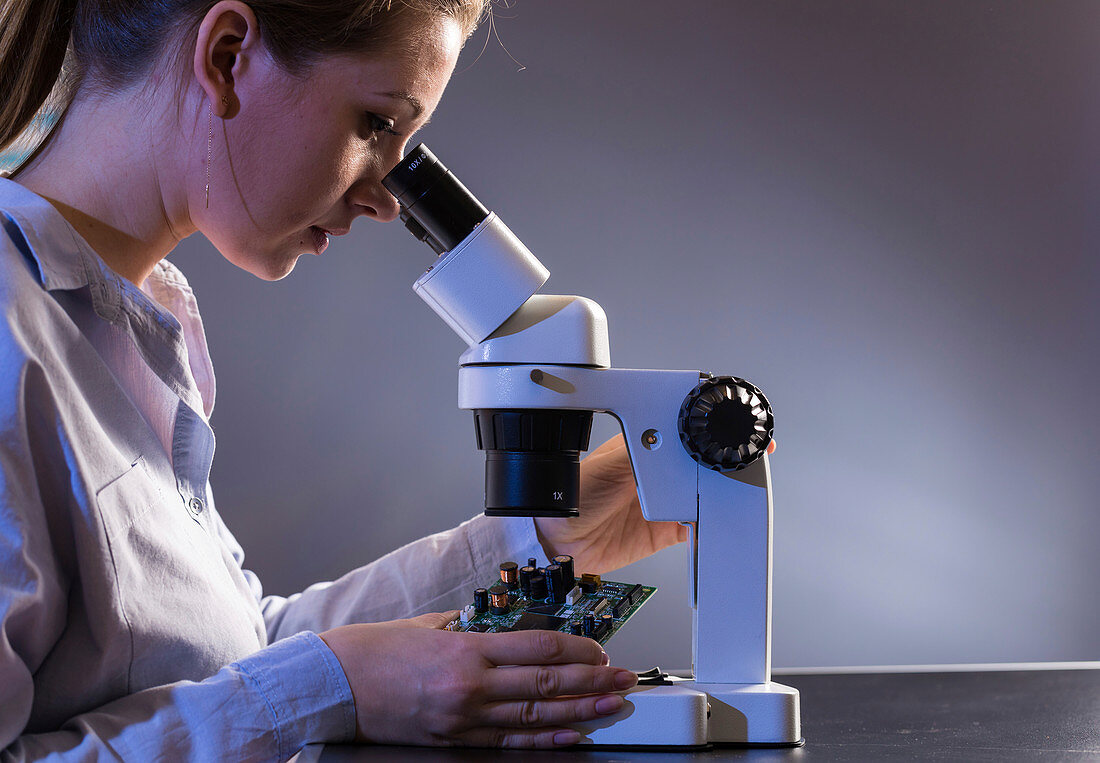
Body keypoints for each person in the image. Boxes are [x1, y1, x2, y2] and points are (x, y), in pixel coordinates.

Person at [0, 0, 723, 757]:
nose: (385, 197)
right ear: (226, 57)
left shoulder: (132, 324)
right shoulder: (13, 337)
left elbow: (236, 657)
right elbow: (290, 687)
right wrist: (334, 684)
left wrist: (541, 538)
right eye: (377, 125)